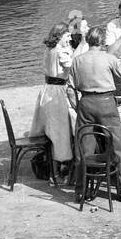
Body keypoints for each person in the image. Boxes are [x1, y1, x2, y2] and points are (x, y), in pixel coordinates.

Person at [68, 26, 121, 201]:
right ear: (102, 42)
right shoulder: (109, 58)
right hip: (107, 102)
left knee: (83, 147)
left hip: (86, 101)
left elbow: (70, 89)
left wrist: (78, 107)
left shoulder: (77, 60)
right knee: (117, 146)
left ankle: (81, 189)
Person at [30, 23, 76, 176]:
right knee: (60, 130)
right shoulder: (61, 51)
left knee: (53, 128)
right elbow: (74, 66)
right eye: (67, 35)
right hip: (57, 92)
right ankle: (61, 165)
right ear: (60, 36)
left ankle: (56, 165)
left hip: (47, 89)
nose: (69, 38)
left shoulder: (49, 49)